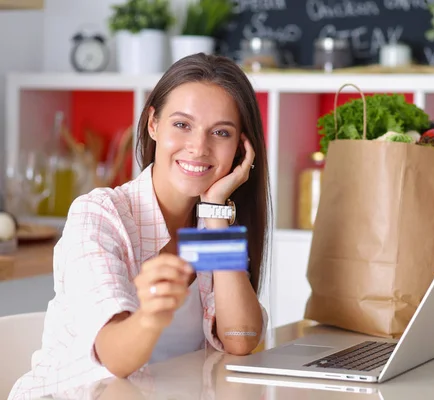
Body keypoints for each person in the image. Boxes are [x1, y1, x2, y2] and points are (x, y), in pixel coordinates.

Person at [9, 53, 271, 400]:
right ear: (153, 124)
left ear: (240, 148)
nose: (198, 147)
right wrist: (150, 314)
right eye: (182, 125)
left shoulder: (213, 225)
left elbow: (239, 340)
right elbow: (115, 358)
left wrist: (215, 212)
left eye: (220, 132)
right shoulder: (100, 214)